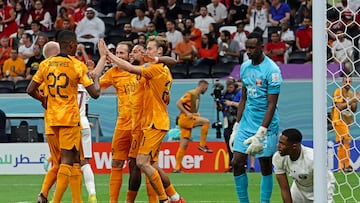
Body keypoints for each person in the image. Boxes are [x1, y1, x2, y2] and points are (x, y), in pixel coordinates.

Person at [104, 36, 185, 203]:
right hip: (142, 124)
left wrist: (109, 55)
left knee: (142, 163)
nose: (145, 51)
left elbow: (134, 69)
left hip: (154, 122)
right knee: (151, 164)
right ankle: (175, 198)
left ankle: (163, 199)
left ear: (159, 51)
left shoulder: (156, 69)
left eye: (149, 48)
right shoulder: (156, 68)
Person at [27, 30, 105, 203]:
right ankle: (55, 200)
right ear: (71, 45)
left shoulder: (46, 64)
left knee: (66, 162)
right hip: (69, 119)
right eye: (76, 43)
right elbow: (95, 93)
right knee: (68, 162)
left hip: (51, 120)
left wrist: (44, 101)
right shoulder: (77, 65)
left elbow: (30, 89)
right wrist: (96, 78)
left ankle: (50, 196)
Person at [230, 31, 282, 203]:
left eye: (252, 48)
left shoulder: (272, 70)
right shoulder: (245, 67)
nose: (249, 51)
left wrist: (262, 131)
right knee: (237, 162)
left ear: (262, 47)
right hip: (246, 123)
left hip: (266, 125)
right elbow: (244, 98)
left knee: (265, 165)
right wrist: (237, 126)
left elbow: (271, 105)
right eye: (247, 48)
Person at [273, 128, 336, 202]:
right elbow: (284, 188)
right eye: (279, 142)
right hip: (299, 189)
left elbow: (326, 183)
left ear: (294, 146)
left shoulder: (313, 159)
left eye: (282, 143)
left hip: (322, 188)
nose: (278, 146)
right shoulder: (278, 158)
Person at [173, 80, 212, 173]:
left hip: (187, 120)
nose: (206, 90)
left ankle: (176, 168)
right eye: (205, 88)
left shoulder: (197, 96)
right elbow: (178, 103)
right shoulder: (191, 93)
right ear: (202, 86)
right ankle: (202, 145)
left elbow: (190, 108)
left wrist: (195, 114)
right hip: (185, 119)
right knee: (206, 122)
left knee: (183, 145)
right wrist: (187, 113)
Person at [332, 76, 360, 172]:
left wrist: (356, 100)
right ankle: (346, 165)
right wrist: (352, 100)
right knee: (347, 141)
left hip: (347, 121)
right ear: (342, 82)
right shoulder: (338, 91)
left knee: (342, 143)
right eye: (345, 81)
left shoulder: (351, 93)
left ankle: (341, 167)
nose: (348, 83)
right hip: (338, 120)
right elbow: (339, 106)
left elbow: (353, 109)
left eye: (350, 81)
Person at [220, 78, 242, 173]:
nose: (229, 89)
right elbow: (222, 107)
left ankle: (241, 164)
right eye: (228, 87)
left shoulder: (239, 93)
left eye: (231, 87)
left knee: (237, 143)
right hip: (227, 120)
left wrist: (231, 103)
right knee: (228, 142)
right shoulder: (224, 94)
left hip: (237, 120)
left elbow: (242, 105)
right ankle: (231, 164)